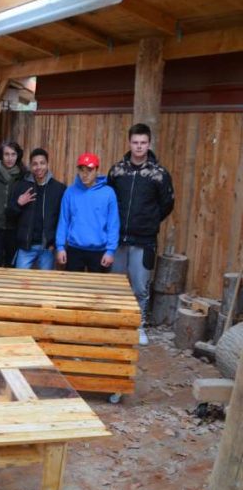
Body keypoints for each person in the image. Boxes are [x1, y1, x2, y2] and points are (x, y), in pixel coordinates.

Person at [108, 123, 175, 345]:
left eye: (143, 143)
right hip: (117, 239)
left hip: (144, 240)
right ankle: (117, 324)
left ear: (149, 143)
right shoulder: (117, 171)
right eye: (135, 142)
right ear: (129, 143)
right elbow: (109, 200)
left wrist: (149, 221)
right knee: (116, 285)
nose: (139, 147)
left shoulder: (159, 174)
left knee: (139, 286)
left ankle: (139, 326)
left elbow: (167, 204)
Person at [55, 152, 119, 273]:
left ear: (96, 170)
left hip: (99, 252)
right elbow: (63, 221)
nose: (85, 174)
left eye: (89, 170)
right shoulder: (70, 192)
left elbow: (113, 224)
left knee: (97, 290)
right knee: (72, 289)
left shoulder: (108, 193)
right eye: (81, 170)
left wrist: (110, 251)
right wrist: (60, 247)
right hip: (74, 250)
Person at [7, 148, 66, 270]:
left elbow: (63, 219)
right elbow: (9, 215)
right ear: (30, 166)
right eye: (35, 164)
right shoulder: (21, 186)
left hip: (47, 248)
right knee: (20, 283)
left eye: (42, 163)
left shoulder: (59, 189)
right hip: (25, 247)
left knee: (45, 286)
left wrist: (54, 243)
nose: (39, 167)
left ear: (47, 164)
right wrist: (18, 203)